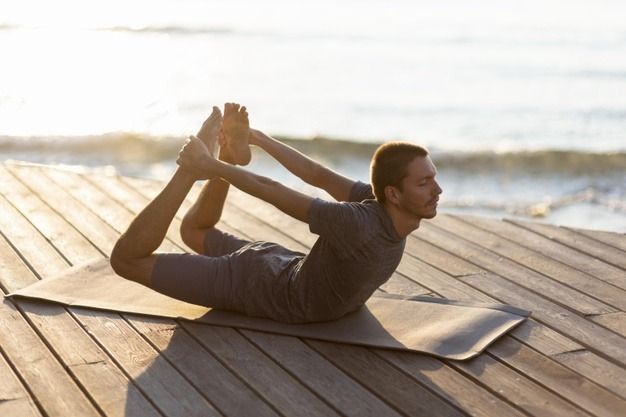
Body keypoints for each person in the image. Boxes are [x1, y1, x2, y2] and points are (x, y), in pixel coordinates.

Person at [110, 103, 442, 323]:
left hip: (278, 264)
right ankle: (191, 169)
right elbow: (272, 189)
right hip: (252, 285)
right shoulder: (359, 224)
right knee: (126, 260)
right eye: (425, 182)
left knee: (193, 230)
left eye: (434, 179)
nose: (437, 191)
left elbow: (317, 174)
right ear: (393, 194)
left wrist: (254, 138)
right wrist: (205, 165)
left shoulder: (377, 203)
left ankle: (226, 155)